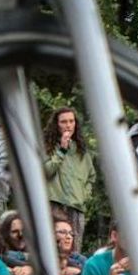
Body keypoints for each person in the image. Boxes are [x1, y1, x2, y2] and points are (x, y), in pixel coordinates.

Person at [43, 107, 95, 253]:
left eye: (71, 121)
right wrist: (62, 150)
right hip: (54, 204)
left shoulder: (82, 151)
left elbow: (91, 177)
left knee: (74, 250)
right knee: (52, 248)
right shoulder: (47, 147)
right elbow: (46, 172)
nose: (68, 125)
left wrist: (84, 195)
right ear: (56, 124)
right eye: (64, 122)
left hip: (76, 207)